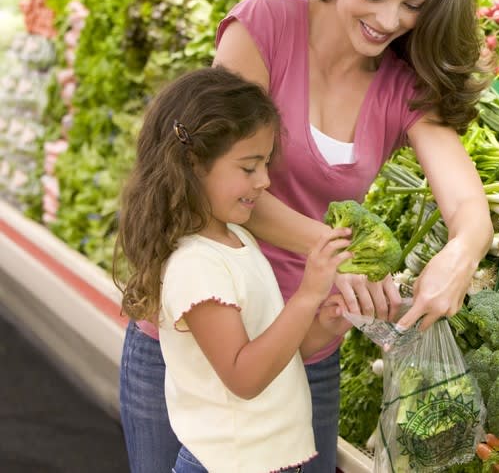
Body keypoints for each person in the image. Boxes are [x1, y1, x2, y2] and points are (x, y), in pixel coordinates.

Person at [119, 0, 494, 471]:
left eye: (414, 6)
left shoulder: (402, 86)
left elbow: (469, 207)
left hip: (303, 340)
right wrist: (333, 252)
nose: (389, 19)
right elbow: (218, 181)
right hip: (190, 335)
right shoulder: (265, 24)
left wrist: (459, 259)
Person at [114, 67, 354, 472]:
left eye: (265, 165)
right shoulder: (195, 266)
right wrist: (308, 294)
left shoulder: (236, 240)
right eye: (249, 167)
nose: (264, 181)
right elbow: (244, 377)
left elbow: (275, 353)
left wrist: (324, 326)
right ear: (192, 163)